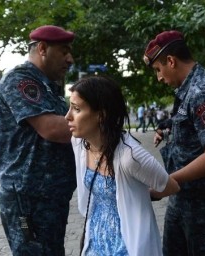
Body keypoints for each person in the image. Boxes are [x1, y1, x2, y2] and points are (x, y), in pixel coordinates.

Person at [143, 30, 205, 255]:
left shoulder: (204, 92)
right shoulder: (188, 90)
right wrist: (167, 129)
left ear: (171, 61)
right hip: (183, 199)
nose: (159, 77)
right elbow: (192, 130)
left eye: (158, 70)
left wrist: (167, 182)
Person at [65, 76, 180, 256]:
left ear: (101, 115)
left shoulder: (130, 156)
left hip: (127, 245)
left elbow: (171, 186)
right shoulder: (79, 144)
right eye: (70, 107)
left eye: (76, 109)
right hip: (94, 239)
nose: (67, 116)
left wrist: (140, 195)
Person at [0, 25, 76, 255]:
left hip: (48, 196)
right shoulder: (20, 80)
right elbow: (52, 129)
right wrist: (104, 126)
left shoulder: (47, 86)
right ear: (42, 48)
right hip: (28, 199)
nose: (70, 59)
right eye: (64, 51)